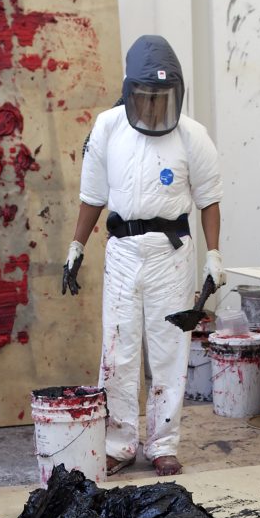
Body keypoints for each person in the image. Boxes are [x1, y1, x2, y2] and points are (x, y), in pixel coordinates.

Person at [62, 35, 225, 477]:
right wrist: (76, 246)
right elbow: (93, 195)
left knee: (170, 349)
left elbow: (209, 200)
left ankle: (163, 444)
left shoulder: (193, 136)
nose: (154, 107)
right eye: (145, 98)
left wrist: (213, 256)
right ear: (131, 93)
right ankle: (118, 443)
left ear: (176, 95)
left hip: (170, 254)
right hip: (122, 253)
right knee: (118, 349)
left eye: (162, 98)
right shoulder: (108, 127)